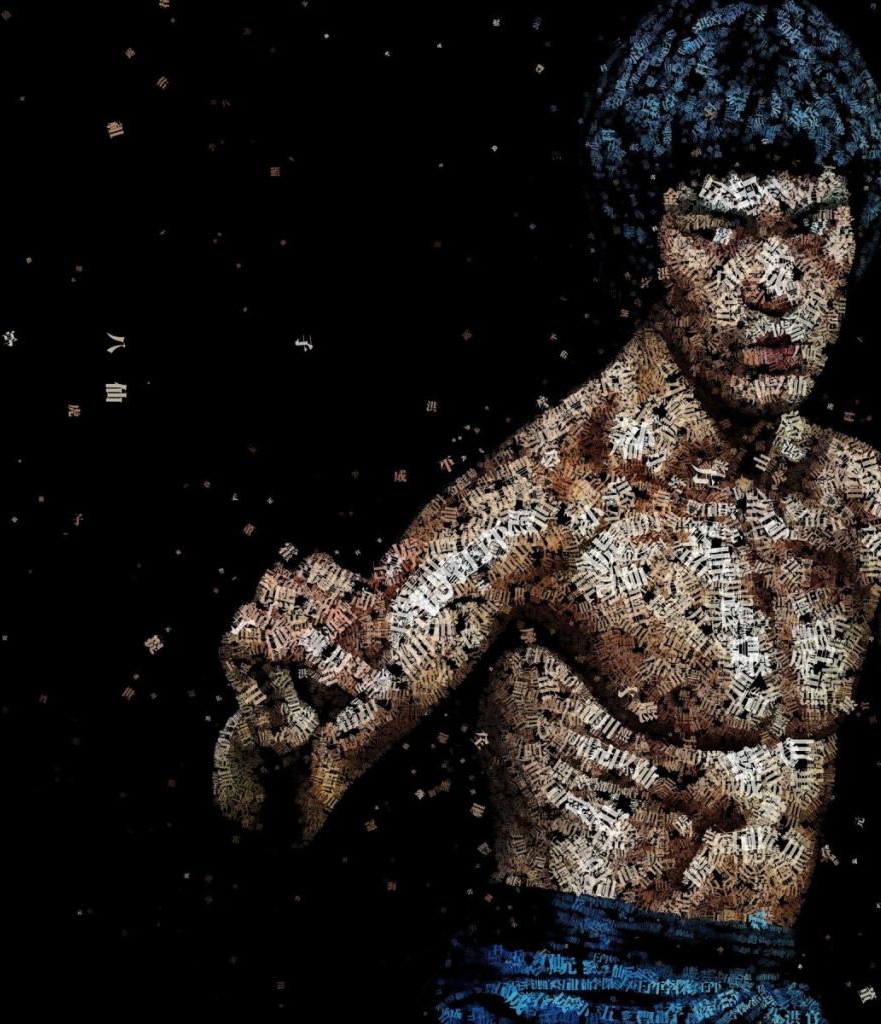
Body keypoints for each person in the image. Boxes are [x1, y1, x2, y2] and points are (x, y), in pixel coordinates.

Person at [213, 1, 881, 1020]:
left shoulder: (860, 500)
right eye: (716, 233)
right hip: (558, 997)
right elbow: (283, 809)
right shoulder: (540, 504)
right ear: (645, 241)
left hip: (770, 998)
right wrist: (266, 737)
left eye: (812, 223)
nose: (776, 282)